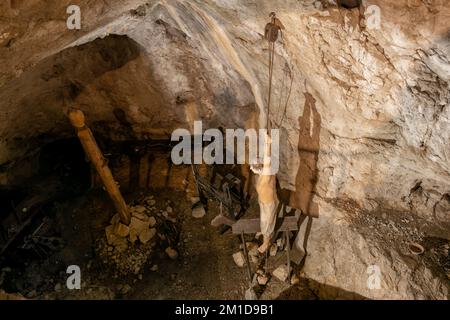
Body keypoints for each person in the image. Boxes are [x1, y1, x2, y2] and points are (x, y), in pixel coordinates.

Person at [251, 132, 279, 253]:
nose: (252, 167)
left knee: (267, 224)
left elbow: (267, 160)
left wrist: (268, 143)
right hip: (265, 200)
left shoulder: (265, 176)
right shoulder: (266, 173)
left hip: (268, 203)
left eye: (253, 166)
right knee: (264, 221)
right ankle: (264, 234)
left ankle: (266, 242)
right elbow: (266, 159)